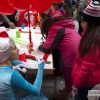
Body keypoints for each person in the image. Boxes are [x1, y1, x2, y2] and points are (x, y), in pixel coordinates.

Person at [38, 2, 81, 100]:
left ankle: (65, 95)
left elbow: (47, 48)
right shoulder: (60, 23)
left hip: (72, 53)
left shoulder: (54, 27)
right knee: (66, 72)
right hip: (75, 49)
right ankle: (68, 90)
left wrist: (40, 46)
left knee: (69, 74)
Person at [0, 29, 48, 100]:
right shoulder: (13, 75)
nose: (18, 50)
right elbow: (35, 91)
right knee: (41, 97)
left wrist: (15, 62)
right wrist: (41, 68)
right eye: (15, 48)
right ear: (6, 54)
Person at [72, 0, 100, 100]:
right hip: (85, 78)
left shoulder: (92, 42)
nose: (80, 23)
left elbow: (86, 69)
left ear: (91, 24)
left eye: (83, 21)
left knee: (79, 97)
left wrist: (76, 85)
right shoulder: (88, 35)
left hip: (86, 81)